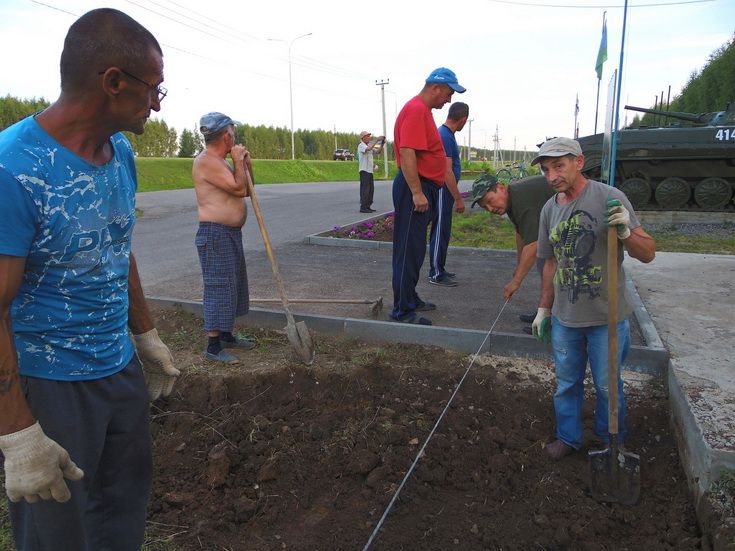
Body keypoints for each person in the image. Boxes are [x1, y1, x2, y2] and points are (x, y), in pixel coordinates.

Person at [0, 8, 179, 550]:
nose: (157, 102)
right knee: (58, 535)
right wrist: (17, 432)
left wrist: (144, 336)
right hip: (49, 387)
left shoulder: (119, 151)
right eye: (155, 89)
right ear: (113, 82)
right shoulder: (15, 169)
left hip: (117, 369)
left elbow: (116, 247)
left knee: (120, 516)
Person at [531, 137, 656, 460]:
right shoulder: (549, 210)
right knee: (566, 384)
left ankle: (612, 440)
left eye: (558, 166)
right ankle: (568, 438)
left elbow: (648, 254)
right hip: (566, 318)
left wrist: (627, 233)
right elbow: (550, 262)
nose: (551, 176)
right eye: (546, 169)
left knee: (607, 386)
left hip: (606, 318)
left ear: (579, 162)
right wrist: (544, 309)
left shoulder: (610, 198)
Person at [390, 67, 466, 325]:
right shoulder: (415, 110)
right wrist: (416, 192)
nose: (449, 100)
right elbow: (407, 151)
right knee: (408, 250)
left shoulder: (422, 111)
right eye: (448, 93)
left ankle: (409, 298)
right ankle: (402, 311)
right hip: (416, 189)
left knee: (415, 249)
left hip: (423, 188)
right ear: (436, 87)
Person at [193, 112, 256, 363]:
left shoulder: (222, 161)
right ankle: (213, 346)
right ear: (226, 135)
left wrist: (245, 164)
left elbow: (248, 188)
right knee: (219, 286)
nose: (235, 138)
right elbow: (239, 189)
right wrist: (238, 161)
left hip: (229, 233)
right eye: (233, 133)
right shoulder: (207, 161)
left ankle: (227, 334)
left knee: (233, 284)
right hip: (215, 233)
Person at [470, 173, 555, 331]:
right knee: (545, 266)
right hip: (556, 227)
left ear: (501, 188)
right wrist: (518, 264)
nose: (490, 209)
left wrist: (516, 281)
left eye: (489, 201)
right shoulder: (511, 201)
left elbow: (534, 244)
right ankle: (545, 312)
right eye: (484, 207)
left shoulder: (521, 197)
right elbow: (521, 234)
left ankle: (550, 320)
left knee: (550, 267)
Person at [427, 102, 469, 287]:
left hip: (446, 191)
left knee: (444, 231)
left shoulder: (447, 135)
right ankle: (436, 273)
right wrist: (459, 199)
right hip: (444, 189)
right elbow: (446, 171)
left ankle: (440, 268)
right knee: (440, 230)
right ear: (463, 119)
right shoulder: (444, 135)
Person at [357, 130, 385, 213]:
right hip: (364, 170)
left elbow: (378, 152)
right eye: (367, 136)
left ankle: (368, 206)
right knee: (365, 189)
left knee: (370, 190)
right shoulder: (361, 145)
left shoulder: (369, 145)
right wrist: (377, 139)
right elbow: (368, 149)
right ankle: (363, 207)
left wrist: (382, 144)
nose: (369, 137)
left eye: (369, 136)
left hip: (369, 171)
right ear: (363, 137)